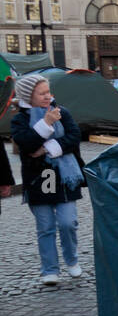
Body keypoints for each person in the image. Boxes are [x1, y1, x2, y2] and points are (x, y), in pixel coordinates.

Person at [10, 74, 85, 285]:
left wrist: (48, 148)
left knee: (67, 222)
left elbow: (73, 136)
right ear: (28, 96)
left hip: (64, 176)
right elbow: (25, 144)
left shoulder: (62, 112)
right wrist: (45, 123)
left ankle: (72, 260)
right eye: (41, 93)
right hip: (38, 177)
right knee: (46, 226)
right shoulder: (20, 119)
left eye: (48, 92)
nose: (47, 97)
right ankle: (50, 269)